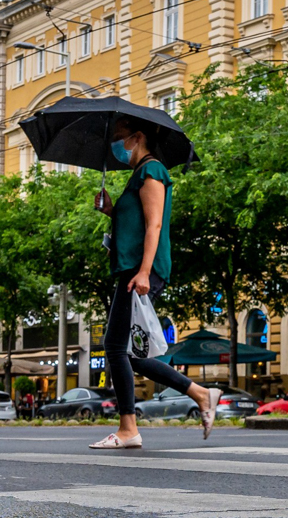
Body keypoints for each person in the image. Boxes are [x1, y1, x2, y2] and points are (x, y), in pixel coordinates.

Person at [89, 119, 218, 448]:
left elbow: (155, 223)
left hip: (141, 270)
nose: (116, 146)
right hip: (132, 269)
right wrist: (111, 211)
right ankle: (199, 393)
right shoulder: (137, 175)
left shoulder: (152, 171)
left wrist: (145, 271)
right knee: (126, 352)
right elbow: (134, 222)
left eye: (119, 139)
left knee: (115, 347)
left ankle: (130, 429)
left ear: (137, 137)